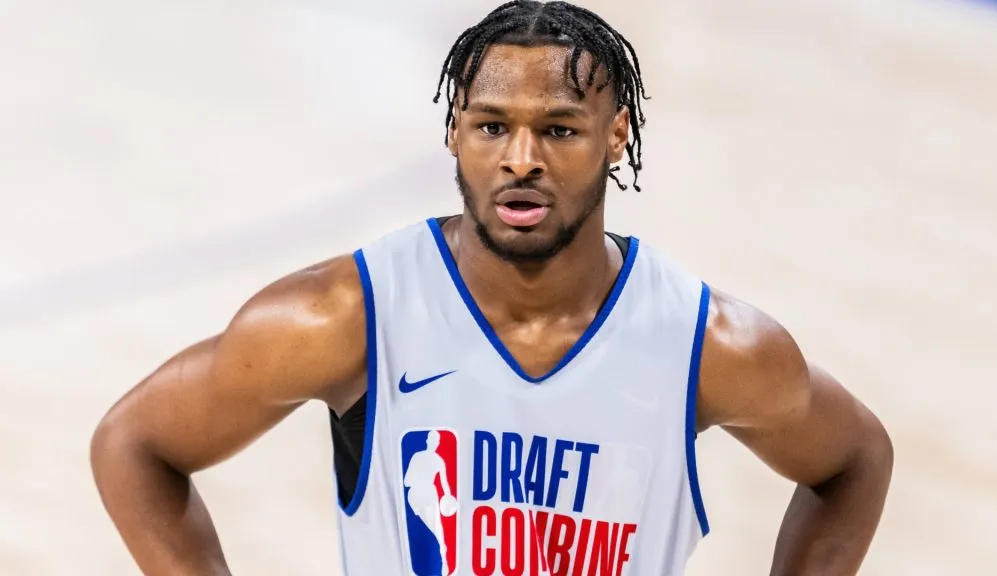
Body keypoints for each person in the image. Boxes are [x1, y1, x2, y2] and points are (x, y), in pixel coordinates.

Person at [90, 1, 894, 574]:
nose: (520, 159)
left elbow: (853, 461)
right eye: (491, 125)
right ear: (453, 131)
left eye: (558, 129)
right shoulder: (347, 317)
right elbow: (136, 444)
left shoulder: (705, 343)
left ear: (616, 135)